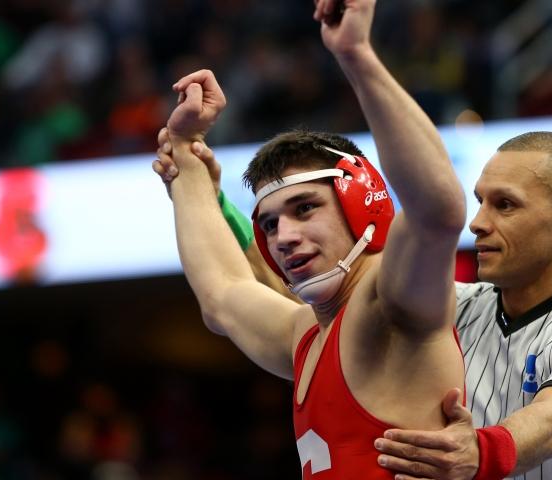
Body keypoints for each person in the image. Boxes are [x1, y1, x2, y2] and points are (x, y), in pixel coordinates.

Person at [157, 0, 467, 478]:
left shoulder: (390, 303)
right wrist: (185, 151)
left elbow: (437, 212)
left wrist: (357, 56)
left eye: (304, 209)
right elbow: (222, 294)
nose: (284, 237)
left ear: (361, 201)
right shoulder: (304, 335)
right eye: (270, 224)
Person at [371, 132, 552, 479]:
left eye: (504, 204)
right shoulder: (451, 309)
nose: (477, 223)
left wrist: (479, 451)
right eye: (480, 201)